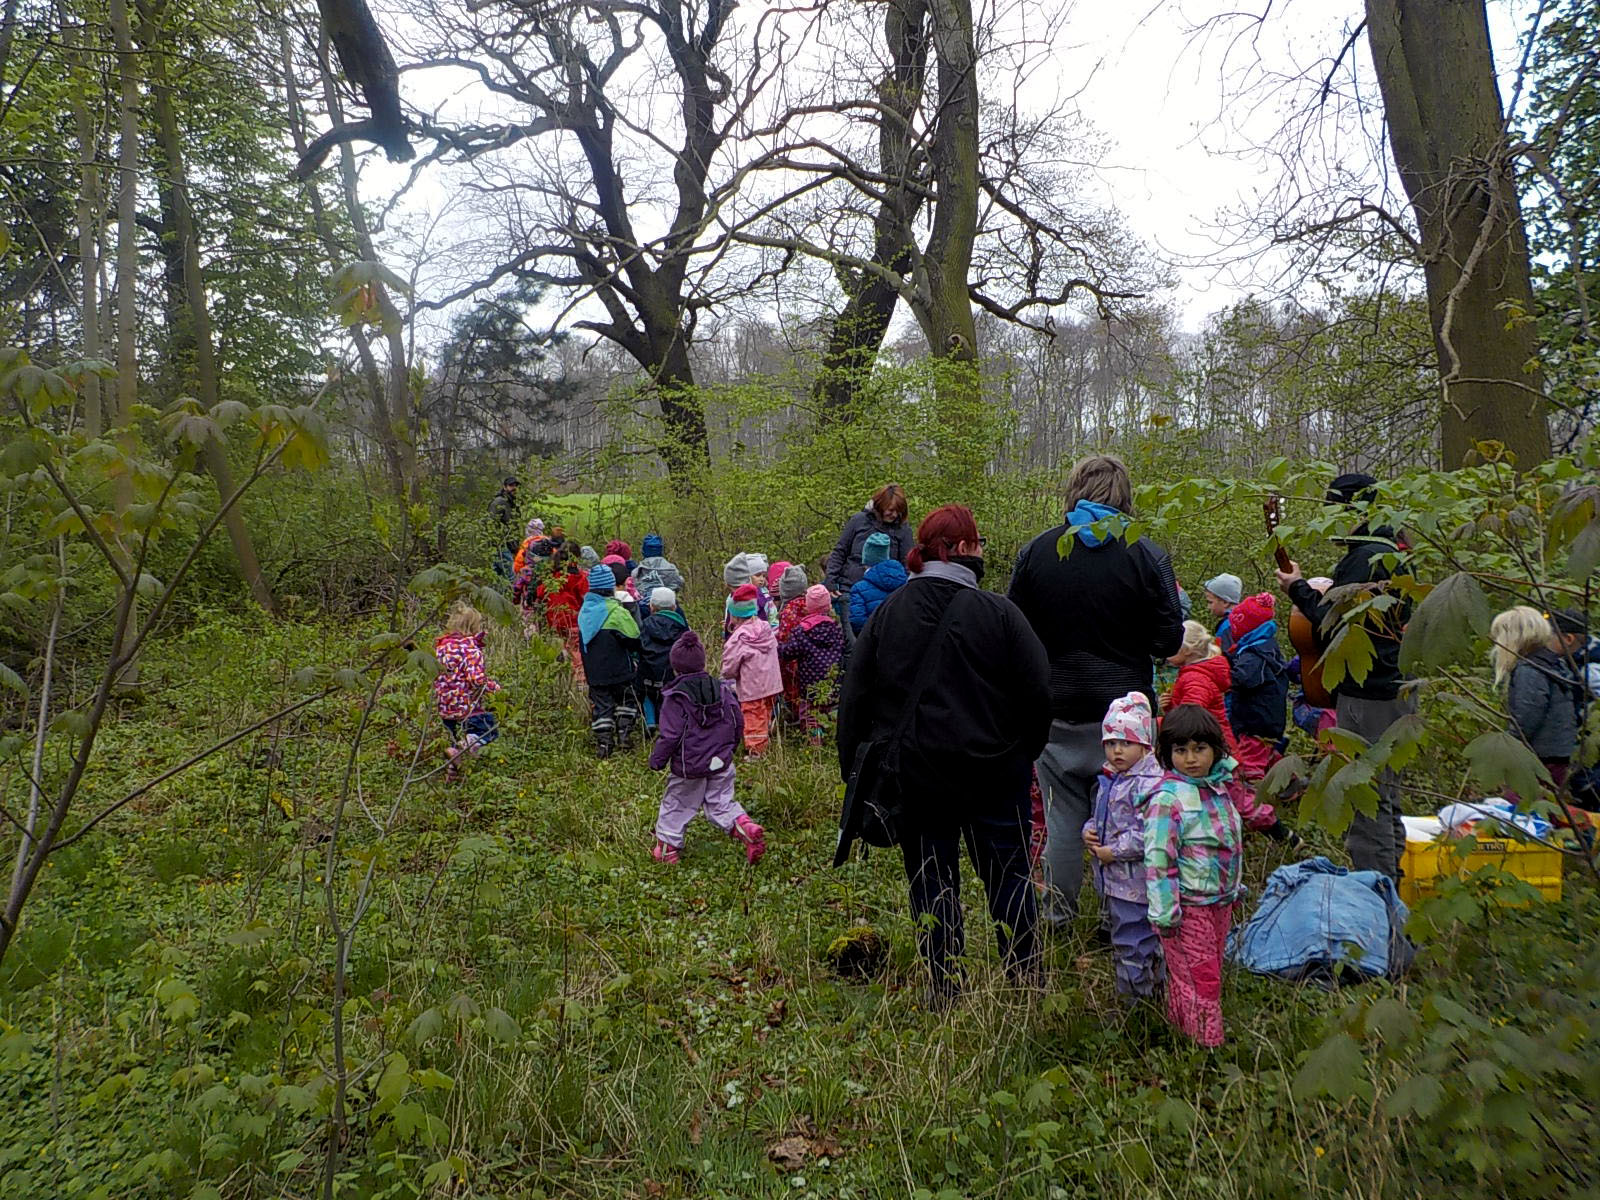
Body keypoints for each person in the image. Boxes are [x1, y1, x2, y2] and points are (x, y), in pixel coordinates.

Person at [838, 504, 1051, 1003]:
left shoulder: (890, 612)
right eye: (977, 542)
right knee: (1009, 881)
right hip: (995, 777)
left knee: (931, 883)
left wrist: (857, 770)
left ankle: (946, 987)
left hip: (917, 778)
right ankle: (1025, 984)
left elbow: (855, 697)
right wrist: (1021, 756)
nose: (982, 550)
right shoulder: (1000, 614)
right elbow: (1039, 693)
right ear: (958, 550)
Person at [1008, 454, 1184, 928]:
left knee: (1064, 819)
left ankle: (1059, 913)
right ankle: (1119, 918)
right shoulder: (1146, 553)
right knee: (1129, 818)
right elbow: (1170, 639)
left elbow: (1013, 630)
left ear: (1073, 492)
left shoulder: (1037, 552)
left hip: (1057, 707)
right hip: (1125, 712)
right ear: (1124, 496)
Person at [1277, 472, 1412, 879]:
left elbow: (1337, 630)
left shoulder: (1364, 557)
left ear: (1351, 509)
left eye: (1332, 509)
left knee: (1365, 803)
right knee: (1385, 801)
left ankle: (1377, 905)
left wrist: (1299, 591)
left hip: (1368, 694)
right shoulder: (1396, 551)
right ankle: (1395, 903)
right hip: (1398, 691)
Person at [1145, 704, 1244, 1048]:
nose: (1190, 759)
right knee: (1202, 980)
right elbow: (1159, 860)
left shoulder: (1217, 788)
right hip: (1187, 907)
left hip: (1219, 901)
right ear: (1167, 753)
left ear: (1215, 750)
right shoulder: (1168, 799)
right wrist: (1165, 912)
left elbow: (1227, 841)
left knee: (1200, 971)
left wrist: (1234, 886)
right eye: (1180, 750)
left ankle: (1182, 1029)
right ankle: (1207, 1049)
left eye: (1199, 749)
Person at [1167, 620, 1295, 843]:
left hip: (1214, 751)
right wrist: (1170, 706)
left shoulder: (1194, 678)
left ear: (1186, 651)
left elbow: (1191, 719)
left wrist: (1161, 724)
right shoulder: (1195, 673)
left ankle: (1282, 835)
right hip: (1208, 747)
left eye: (1171, 646)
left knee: (1237, 797)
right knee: (1223, 794)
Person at [648, 632, 767, 865]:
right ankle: (743, 825)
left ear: (675, 668)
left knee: (678, 803)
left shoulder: (676, 697)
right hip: (720, 760)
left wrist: (658, 759)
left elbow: (671, 734)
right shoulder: (722, 689)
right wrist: (731, 747)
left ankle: (667, 848)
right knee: (721, 800)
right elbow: (737, 719)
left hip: (689, 765)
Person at [1081, 692, 1166, 1000]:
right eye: (1110, 742)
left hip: (1139, 883)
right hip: (1117, 882)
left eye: (1126, 743)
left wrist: (1112, 852)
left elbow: (1150, 833)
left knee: (1134, 940)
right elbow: (1103, 817)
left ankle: (1137, 1001)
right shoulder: (1113, 778)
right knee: (1127, 937)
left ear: (1144, 745)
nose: (1117, 750)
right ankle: (1145, 992)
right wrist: (1090, 830)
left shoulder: (1148, 784)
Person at [1493, 606, 1582, 791]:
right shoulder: (1556, 665)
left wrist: (1507, 750)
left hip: (1538, 759)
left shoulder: (1530, 670)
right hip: (1557, 757)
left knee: (1522, 812)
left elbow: (1526, 719)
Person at [1222, 592, 1290, 781]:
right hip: (1268, 719)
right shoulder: (1265, 646)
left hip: (1255, 723)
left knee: (1251, 764)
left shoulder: (1254, 655)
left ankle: (1255, 805)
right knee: (1268, 754)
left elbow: (1242, 679)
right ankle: (1289, 784)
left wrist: (1221, 674)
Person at [578, 563, 642, 759]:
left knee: (602, 705)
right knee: (626, 700)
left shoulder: (584, 613)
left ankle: (604, 744)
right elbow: (634, 637)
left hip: (595, 673)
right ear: (611, 587)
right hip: (620, 670)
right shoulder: (616, 611)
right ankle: (624, 735)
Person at [433, 601, 501, 782]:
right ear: (474, 627)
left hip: (445, 707)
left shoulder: (440, 648)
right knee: (488, 730)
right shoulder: (471, 650)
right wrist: (494, 687)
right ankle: (463, 749)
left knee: (456, 739)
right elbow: (476, 679)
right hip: (467, 705)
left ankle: (453, 777)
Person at [721, 583, 782, 755]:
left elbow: (729, 665)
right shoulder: (766, 629)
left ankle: (756, 751)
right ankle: (767, 732)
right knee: (765, 712)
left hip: (751, 687)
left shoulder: (738, 638)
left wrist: (727, 675)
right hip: (771, 684)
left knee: (752, 717)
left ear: (735, 615)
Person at [779, 584, 846, 741]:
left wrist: (778, 648)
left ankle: (816, 741)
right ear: (828, 605)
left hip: (809, 682)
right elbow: (843, 647)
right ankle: (832, 736)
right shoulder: (835, 627)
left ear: (808, 606)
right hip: (832, 680)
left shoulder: (802, 631)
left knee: (810, 714)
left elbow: (789, 652)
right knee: (829, 708)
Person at [825, 484, 914, 595]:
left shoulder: (903, 530)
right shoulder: (858, 520)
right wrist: (831, 581)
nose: (894, 515)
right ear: (881, 505)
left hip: (885, 594)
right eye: (891, 510)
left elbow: (908, 565)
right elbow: (839, 552)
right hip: (849, 589)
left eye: (898, 511)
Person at [639, 587, 691, 733]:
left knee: (646, 693)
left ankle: (650, 721)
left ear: (651, 607)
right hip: (671, 673)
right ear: (674, 607)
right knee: (670, 696)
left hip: (647, 672)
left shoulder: (644, 624)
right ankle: (667, 722)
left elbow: (638, 647)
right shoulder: (682, 627)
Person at [541, 546, 590, 688]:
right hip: (573, 621)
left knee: (563, 649)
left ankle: (563, 681)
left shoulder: (551, 578)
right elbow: (586, 597)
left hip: (554, 622)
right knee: (576, 652)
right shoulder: (579, 578)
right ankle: (580, 683)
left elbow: (540, 593)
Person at [849, 531, 908, 633]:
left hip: (874, 644)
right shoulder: (906, 583)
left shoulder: (858, 589)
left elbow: (857, 622)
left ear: (866, 559)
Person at [775, 564, 810, 716]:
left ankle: (795, 718)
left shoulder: (787, 612)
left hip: (792, 664)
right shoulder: (812, 605)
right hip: (813, 661)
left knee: (794, 694)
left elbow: (784, 639)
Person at [634, 534, 685, 606]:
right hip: (668, 605)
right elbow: (678, 583)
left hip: (645, 607)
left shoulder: (638, 570)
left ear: (644, 550)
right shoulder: (671, 568)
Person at [488, 477, 520, 578]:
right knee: (510, 576)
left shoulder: (511, 503)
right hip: (501, 545)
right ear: (505, 487)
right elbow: (491, 523)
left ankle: (499, 593)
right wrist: (497, 542)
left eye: (515, 486)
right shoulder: (499, 502)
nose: (514, 488)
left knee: (497, 576)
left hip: (506, 545)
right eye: (511, 486)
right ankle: (511, 593)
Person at [1203, 574, 1242, 654]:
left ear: (1225, 602)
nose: (1208, 607)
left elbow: (1224, 656)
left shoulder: (1227, 627)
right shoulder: (1241, 619)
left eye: (1210, 602)